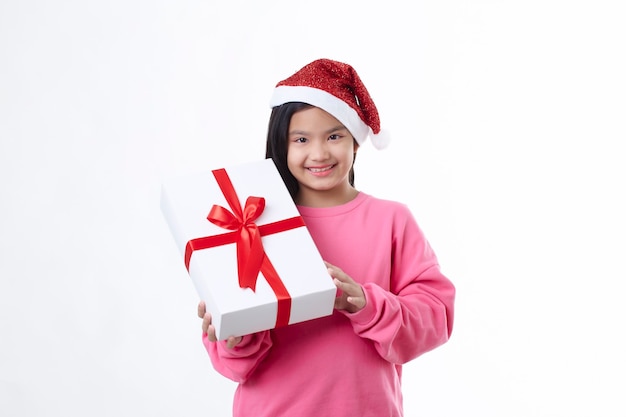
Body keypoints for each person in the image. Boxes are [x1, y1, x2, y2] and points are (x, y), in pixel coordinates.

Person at [197, 58, 455, 417]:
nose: (318, 153)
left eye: (334, 136)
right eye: (301, 139)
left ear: (356, 143)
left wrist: (365, 303)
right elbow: (232, 366)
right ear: (281, 144)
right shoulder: (252, 223)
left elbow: (437, 318)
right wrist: (235, 336)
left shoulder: (391, 220)